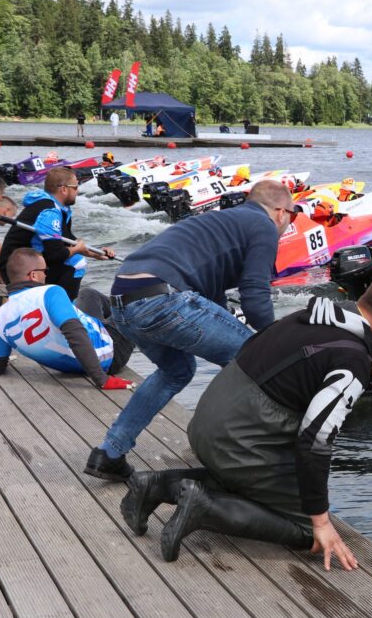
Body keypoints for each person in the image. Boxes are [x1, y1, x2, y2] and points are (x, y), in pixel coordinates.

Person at [119, 273, 372, 569]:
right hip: (236, 441)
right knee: (306, 526)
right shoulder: (352, 360)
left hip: (206, 422)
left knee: (254, 482)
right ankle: (205, 511)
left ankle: (156, 485)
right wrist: (321, 520)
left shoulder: (307, 315)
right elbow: (315, 439)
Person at [84, 180, 299, 481]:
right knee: (259, 361)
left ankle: (109, 453)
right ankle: (241, 458)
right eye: (295, 214)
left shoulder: (223, 221)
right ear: (280, 212)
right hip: (162, 298)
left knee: (176, 371)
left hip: (122, 300)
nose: (291, 222)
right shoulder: (262, 225)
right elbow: (255, 293)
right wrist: (276, 340)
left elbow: (213, 301)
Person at [0, 249, 136, 389]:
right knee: (136, 305)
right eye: (45, 271)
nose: (46, 275)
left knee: (88, 294)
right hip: (110, 351)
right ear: (33, 275)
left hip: (91, 335)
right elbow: (75, 332)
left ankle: (113, 315)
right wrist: (102, 379)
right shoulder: (50, 292)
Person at [0, 167, 116, 301]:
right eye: (76, 187)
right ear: (64, 189)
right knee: (77, 262)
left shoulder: (56, 207)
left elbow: (67, 240)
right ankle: (65, 310)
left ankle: (28, 301)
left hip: (24, 262)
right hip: (15, 269)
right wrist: (77, 250)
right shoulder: (49, 212)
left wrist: (97, 253)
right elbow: (55, 254)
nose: (78, 190)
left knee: (72, 258)